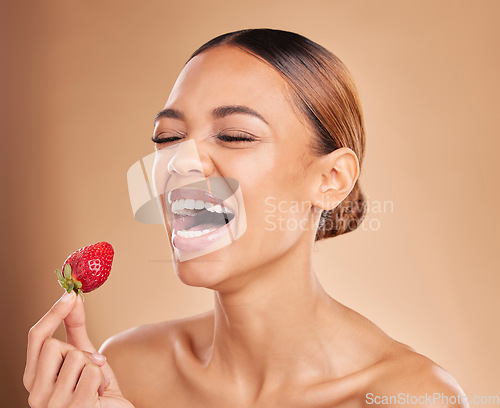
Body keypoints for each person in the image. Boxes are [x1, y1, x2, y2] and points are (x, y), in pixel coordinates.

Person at [24, 29, 468, 408]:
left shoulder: (413, 396)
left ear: (331, 179)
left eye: (235, 135)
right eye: (169, 137)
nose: (182, 162)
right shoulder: (126, 370)